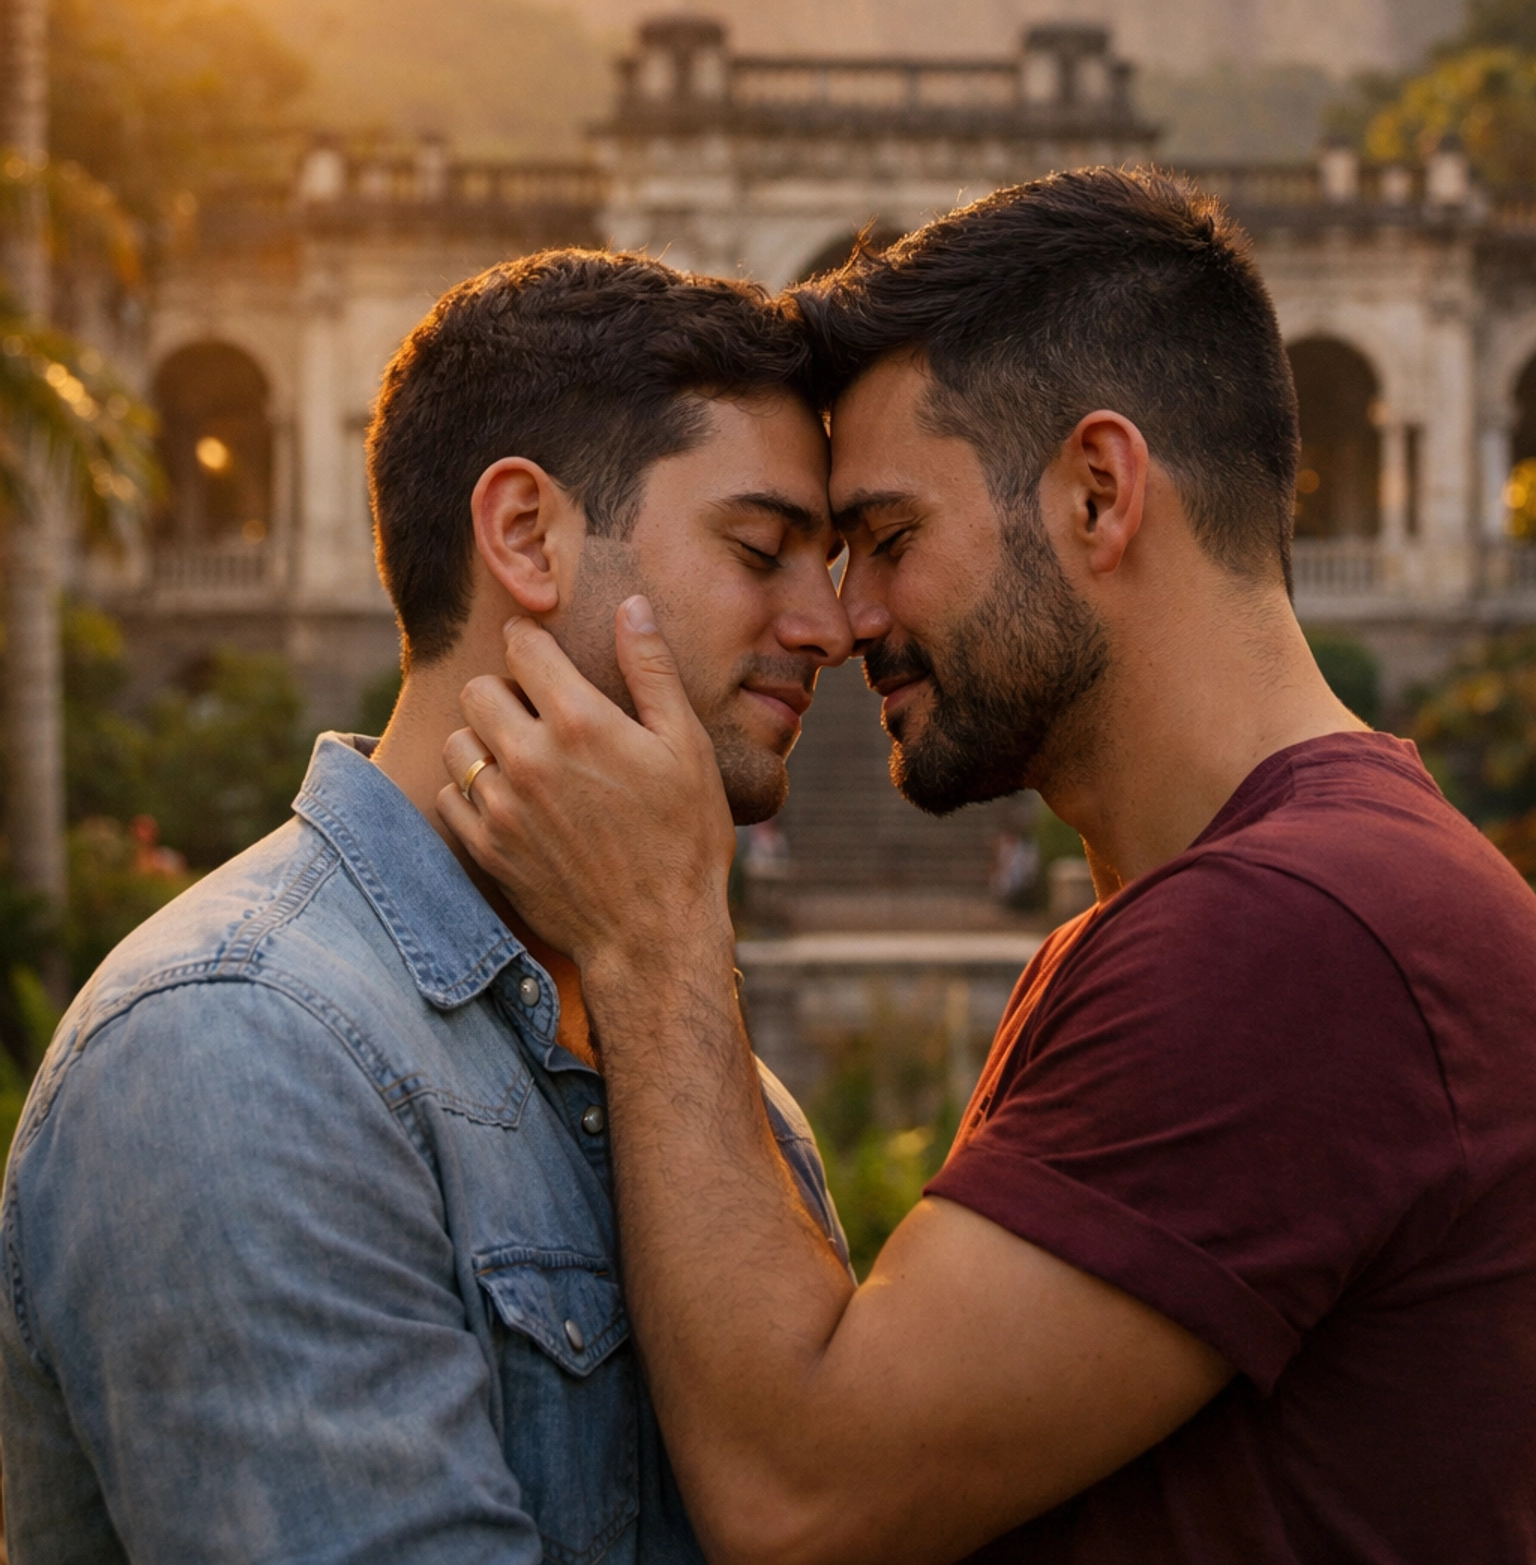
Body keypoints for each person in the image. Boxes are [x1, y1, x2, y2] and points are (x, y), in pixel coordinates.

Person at [443, 169, 1536, 1565]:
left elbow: (803, 1495)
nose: (844, 617)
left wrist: (654, 930)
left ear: (1098, 494)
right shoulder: (1282, 894)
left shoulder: (1293, 933)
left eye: (889, 539)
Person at [0, 250, 853, 1565]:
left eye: (834, 560)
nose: (831, 625)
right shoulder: (237, 1044)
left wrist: (673, 944)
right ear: (525, 535)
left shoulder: (690, 1057)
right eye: (761, 550)